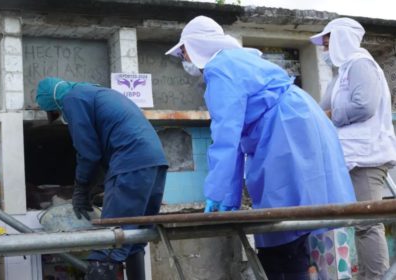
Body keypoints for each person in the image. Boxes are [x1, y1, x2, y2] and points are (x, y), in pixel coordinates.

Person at [166, 16, 356, 279]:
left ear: (197, 46)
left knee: (283, 226)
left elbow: (225, 138)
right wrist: (227, 198)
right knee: (307, 216)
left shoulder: (219, 68)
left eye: (184, 51)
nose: (184, 59)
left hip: (285, 132)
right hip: (301, 121)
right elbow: (232, 142)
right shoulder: (241, 60)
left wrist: (217, 194)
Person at [36, 77, 168, 280]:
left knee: (108, 242)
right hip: (155, 163)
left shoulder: (73, 99)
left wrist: (80, 189)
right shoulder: (95, 93)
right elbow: (100, 152)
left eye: (57, 112)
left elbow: (88, 153)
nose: (61, 116)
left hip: (131, 163)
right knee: (132, 239)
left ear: (54, 103)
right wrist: (93, 187)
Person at [310, 17, 396, 280]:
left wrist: (330, 114)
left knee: (368, 224)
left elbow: (364, 105)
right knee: (359, 223)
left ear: (341, 40)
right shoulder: (343, 71)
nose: (324, 50)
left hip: (367, 158)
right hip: (351, 157)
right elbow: (319, 109)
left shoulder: (361, 63)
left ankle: (377, 277)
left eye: (327, 43)